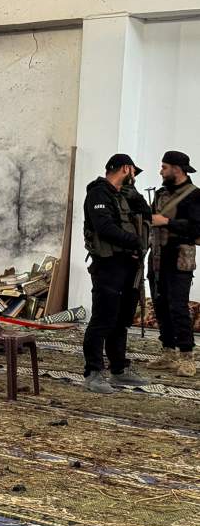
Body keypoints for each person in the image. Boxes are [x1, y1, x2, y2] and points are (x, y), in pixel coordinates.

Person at [82, 154, 152, 393]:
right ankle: (93, 372)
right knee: (103, 320)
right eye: (133, 172)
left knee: (121, 321)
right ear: (126, 168)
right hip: (109, 265)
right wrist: (136, 241)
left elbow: (147, 213)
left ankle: (119, 369)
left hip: (129, 265)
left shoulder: (123, 195)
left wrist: (132, 192)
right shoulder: (98, 194)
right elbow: (105, 228)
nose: (134, 177)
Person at [147, 151, 200, 377]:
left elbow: (197, 230)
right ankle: (168, 352)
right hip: (157, 256)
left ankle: (187, 357)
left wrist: (166, 222)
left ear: (177, 169)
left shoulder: (195, 196)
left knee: (178, 307)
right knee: (160, 305)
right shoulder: (160, 194)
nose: (161, 171)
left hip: (179, 257)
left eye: (164, 167)